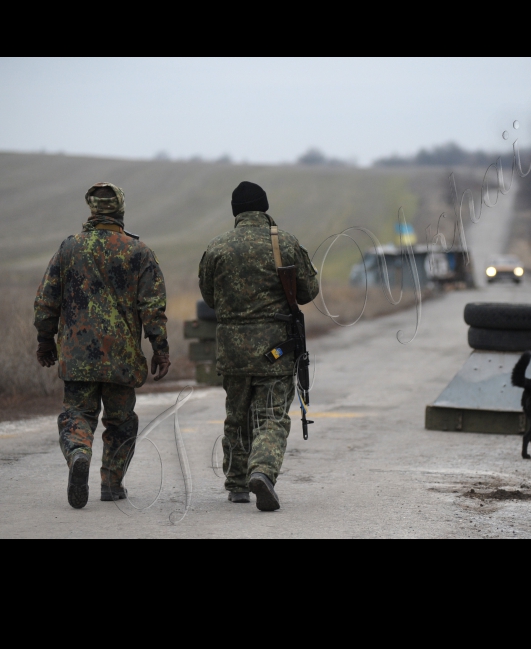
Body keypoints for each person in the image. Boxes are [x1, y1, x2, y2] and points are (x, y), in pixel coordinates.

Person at [34, 183, 170, 509]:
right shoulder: (139, 252)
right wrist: (160, 348)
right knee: (122, 422)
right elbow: (153, 307)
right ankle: (111, 483)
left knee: (77, 415)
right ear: (121, 210)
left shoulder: (69, 249)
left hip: (77, 356)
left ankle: (79, 453)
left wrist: (45, 340)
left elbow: (46, 300)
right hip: (121, 360)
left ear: (92, 210)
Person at [199, 181, 319, 511]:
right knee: (270, 417)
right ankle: (262, 471)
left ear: (236, 211)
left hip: (232, 350)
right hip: (275, 350)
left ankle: (237, 484)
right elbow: (309, 291)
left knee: (236, 415)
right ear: (264, 208)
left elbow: (209, 298)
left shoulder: (217, 247)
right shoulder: (285, 244)